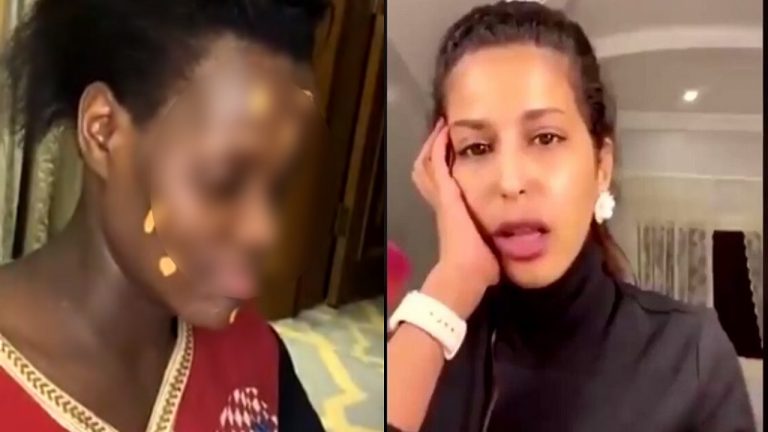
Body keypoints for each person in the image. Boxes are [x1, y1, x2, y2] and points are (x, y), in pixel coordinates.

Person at [386, 2, 755, 431]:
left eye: (546, 138)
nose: (511, 182)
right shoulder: (421, 347)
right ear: (443, 171)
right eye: (477, 147)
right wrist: (450, 287)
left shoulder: (690, 354)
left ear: (602, 167)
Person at [0, 0, 328, 430]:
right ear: (103, 131)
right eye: (221, 180)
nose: (263, 231)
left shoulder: (254, 354)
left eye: (278, 183)